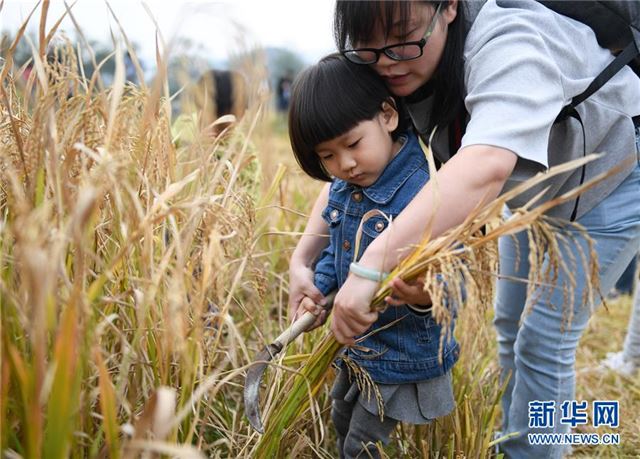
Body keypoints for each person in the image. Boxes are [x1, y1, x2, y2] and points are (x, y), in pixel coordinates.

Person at [288, 1, 640, 457]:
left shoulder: (513, 42)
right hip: (533, 186)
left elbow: (486, 163)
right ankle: (521, 438)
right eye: (368, 48)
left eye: (402, 39)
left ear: (449, 7)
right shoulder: (392, 58)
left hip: (609, 176)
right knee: (510, 323)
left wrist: (369, 269)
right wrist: (303, 258)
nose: (387, 62)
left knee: (544, 339)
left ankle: (533, 452)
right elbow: (353, 168)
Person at [288, 54, 458, 459]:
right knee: (341, 417)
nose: (344, 164)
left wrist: (421, 295)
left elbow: (456, 285)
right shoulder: (349, 186)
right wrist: (320, 290)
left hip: (398, 353)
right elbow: (338, 250)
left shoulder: (428, 194)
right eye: (327, 156)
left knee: (362, 444)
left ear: (388, 115)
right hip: (356, 346)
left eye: (352, 145)